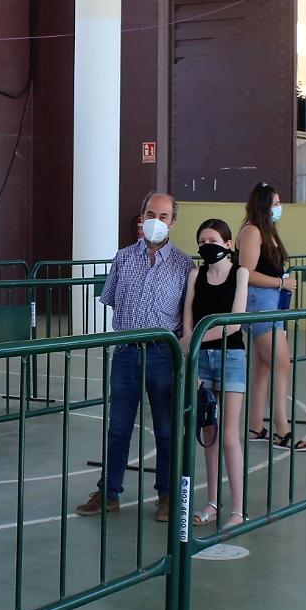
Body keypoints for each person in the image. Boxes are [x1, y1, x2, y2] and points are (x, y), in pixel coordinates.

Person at [75, 192, 193, 522]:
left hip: (163, 354)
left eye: (164, 215)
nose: (157, 220)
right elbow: (112, 298)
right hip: (126, 353)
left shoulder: (184, 265)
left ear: (173, 222)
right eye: (151, 213)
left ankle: (167, 495)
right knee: (118, 427)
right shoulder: (123, 257)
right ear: (142, 217)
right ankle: (109, 493)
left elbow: (186, 314)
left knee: (168, 428)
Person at [180, 219, 250, 528]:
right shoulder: (195, 275)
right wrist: (190, 354)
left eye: (213, 238)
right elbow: (187, 320)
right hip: (201, 360)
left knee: (230, 436)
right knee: (209, 434)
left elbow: (234, 324)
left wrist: (193, 338)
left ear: (227, 243)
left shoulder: (240, 274)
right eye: (202, 239)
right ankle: (211, 501)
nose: (207, 244)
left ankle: (238, 508)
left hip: (231, 356)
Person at [237, 182, 306, 451]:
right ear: (264, 205)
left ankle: (255, 426)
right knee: (282, 364)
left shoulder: (268, 232)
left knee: (264, 367)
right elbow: (247, 272)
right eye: (275, 203)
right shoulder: (252, 231)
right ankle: (283, 430)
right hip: (260, 304)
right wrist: (280, 284)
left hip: (273, 303)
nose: (279, 208)